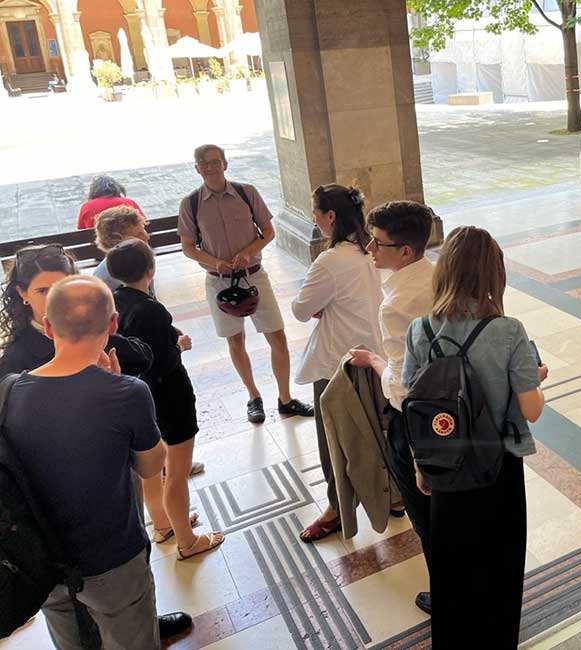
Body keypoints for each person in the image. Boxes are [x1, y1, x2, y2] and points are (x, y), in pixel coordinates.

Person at [0, 244, 193, 641]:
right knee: (120, 630)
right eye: (43, 291)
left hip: (59, 546)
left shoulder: (5, 392)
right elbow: (152, 464)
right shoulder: (121, 391)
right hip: (97, 549)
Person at [402, 226, 549, 649]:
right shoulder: (508, 331)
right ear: (494, 274)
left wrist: (419, 465)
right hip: (497, 465)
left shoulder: (420, 330)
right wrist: (535, 378)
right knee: (498, 568)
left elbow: (414, 406)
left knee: (451, 569)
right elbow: (530, 410)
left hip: (444, 465)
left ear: (444, 270)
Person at [177, 144, 313, 424]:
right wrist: (215, 262)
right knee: (235, 340)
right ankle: (253, 397)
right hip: (218, 281)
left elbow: (268, 231)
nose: (210, 167)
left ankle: (285, 399)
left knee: (277, 336)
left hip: (254, 275)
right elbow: (188, 246)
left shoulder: (246, 192)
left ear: (225, 164)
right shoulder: (190, 204)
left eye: (215, 161)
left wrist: (249, 251)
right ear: (197, 168)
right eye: (204, 163)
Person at [107, 239, 224, 560]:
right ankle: (187, 541)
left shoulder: (118, 301)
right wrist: (180, 345)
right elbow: (161, 361)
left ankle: (163, 523)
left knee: (153, 468)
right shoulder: (152, 309)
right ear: (150, 269)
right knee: (177, 471)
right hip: (170, 395)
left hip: (141, 397)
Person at [347, 200, 436, 614]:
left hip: (415, 423)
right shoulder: (439, 276)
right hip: (455, 412)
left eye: (378, 243)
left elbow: (403, 386)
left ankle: (445, 591)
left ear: (406, 251)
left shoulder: (397, 303)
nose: (369, 249)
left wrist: (377, 363)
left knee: (427, 516)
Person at [292, 185, 384, 542]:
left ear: (331, 216)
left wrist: (319, 304)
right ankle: (390, 496)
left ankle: (335, 508)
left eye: (316, 213)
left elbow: (301, 309)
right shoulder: (371, 249)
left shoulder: (330, 261)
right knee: (377, 431)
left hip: (338, 363)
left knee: (335, 441)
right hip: (372, 352)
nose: (314, 220)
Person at [0, 244, 151, 381]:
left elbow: (143, 359)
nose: (53, 298)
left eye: (62, 286)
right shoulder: (14, 360)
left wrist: (100, 335)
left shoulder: (92, 327)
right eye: (42, 291)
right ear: (23, 293)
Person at [92, 205, 154, 294]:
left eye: (143, 230)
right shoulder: (105, 280)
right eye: (137, 235)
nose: (146, 237)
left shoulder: (140, 259)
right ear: (117, 243)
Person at [77, 175, 143, 230]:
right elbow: (144, 224)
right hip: (132, 244)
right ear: (117, 188)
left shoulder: (86, 206)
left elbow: (81, 231)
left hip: (101, 245)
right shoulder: (129, 203)